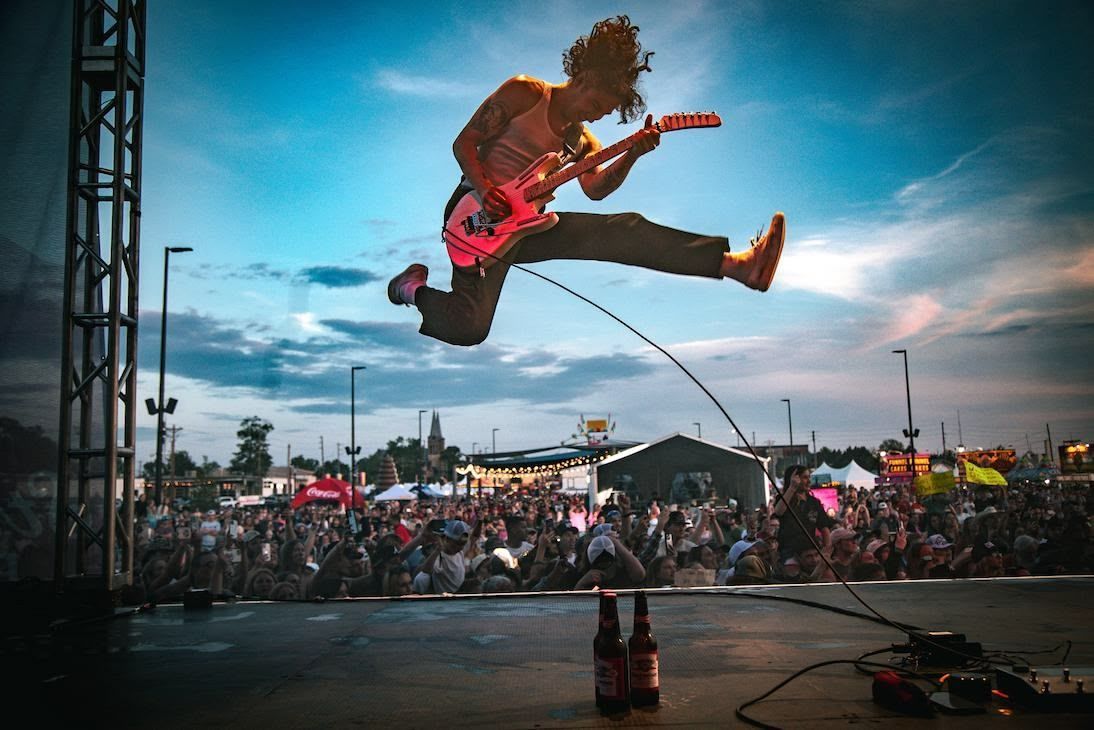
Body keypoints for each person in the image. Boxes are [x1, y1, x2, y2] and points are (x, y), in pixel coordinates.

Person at [387, 15, 787, 346]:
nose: (596, 117)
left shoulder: (580, 140)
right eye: (596, 104)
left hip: (526, 227)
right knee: (469, 327)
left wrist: (632, 153)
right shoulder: (525, 92)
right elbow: (465, 142)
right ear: (582, 76)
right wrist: (486, 188)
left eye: (606, 112)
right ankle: (410, 288)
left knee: (622, 229)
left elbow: (595, 190)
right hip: (473, 215)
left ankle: (738, 266)